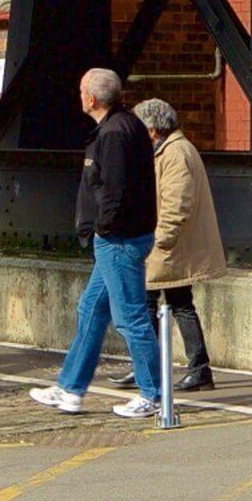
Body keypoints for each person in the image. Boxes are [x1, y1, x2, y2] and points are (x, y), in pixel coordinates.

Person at [31, 66, 165, 422]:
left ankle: (154, 394)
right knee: (91, 309)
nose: (79, 96)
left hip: (119, 239)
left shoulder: (114, 134)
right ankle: (71, 388)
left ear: (91, 97)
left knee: (130, 317)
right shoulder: (120, 127)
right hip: (117, 237)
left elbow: (114, 190)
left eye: (80, 91)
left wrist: (103, 229)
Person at [136, 96, 226, 397]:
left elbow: (176, 204)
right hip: (171, 244)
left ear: (152, 130)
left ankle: (175, 369)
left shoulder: (175, 153)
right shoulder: (172, 149)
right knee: (175, 303)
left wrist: (160, 240)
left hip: (170, 245)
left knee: (168, 304)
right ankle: (170, 368)